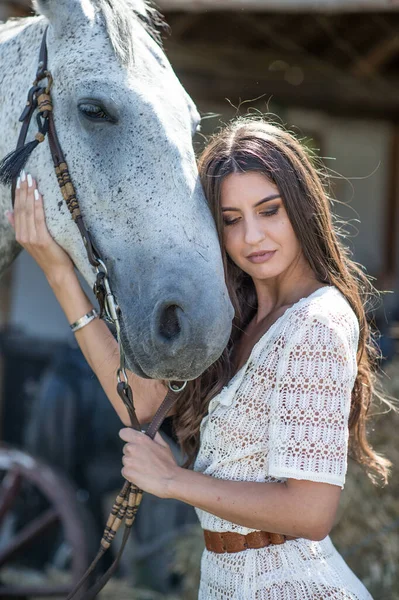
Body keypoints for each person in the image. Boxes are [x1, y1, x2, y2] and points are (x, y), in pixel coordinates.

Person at [6, 119, 392, 599]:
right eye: (231, 219)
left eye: (268, 210)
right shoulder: (239, 316)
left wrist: (173, 480)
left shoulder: (316, 322)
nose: (252, 237)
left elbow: (310, 513)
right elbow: (143, 404)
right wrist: (59, 272)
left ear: (302, 207)